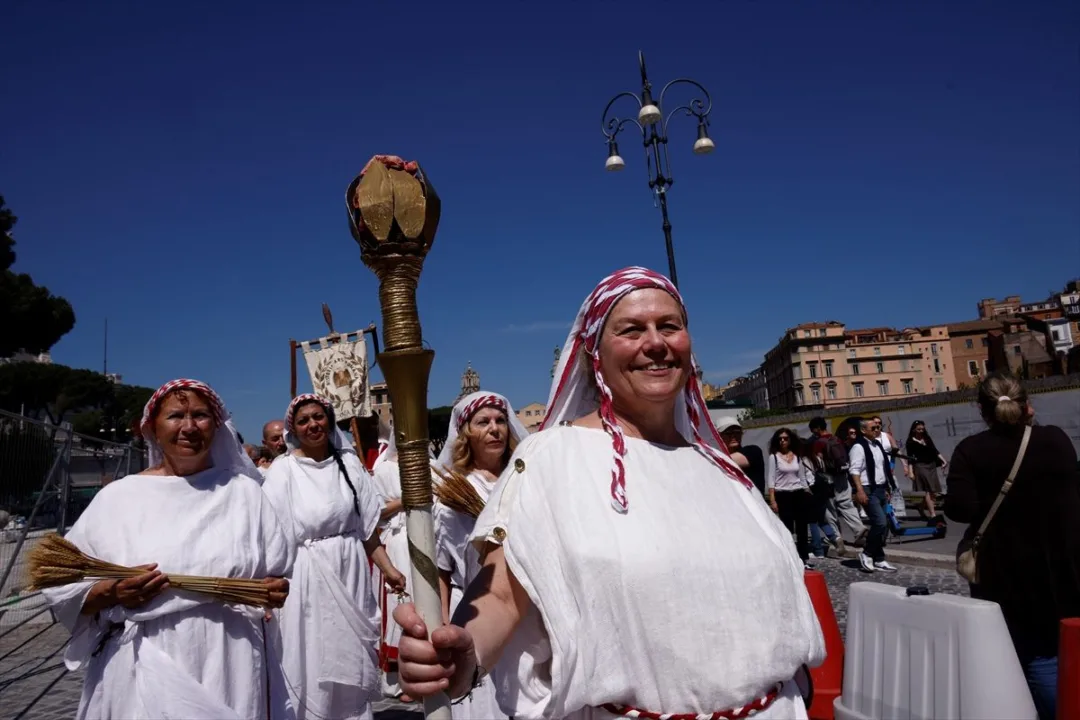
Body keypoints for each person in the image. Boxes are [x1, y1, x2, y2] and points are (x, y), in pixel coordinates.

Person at [393, 266, 823, 719]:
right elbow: (502, 594)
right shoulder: (553, 459)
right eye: (631, 330)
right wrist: (464, 653)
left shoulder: (720, 470)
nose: (655, 343)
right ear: (594, 355)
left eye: (669, 326)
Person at [41, 379, 293, 719]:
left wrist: (273, 590)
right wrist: (113, 592)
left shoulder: (244, 493)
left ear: (216, 426)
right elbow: (64, 585)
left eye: (201, 416)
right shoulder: (118, 498)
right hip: (144, 656)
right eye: (176, 416)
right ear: (152, 430)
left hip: (229, 656)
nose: (189, 427)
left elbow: (276, 571)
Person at [262, 394, 406, 720]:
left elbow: (367, 529)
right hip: (306, 575)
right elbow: (270, 537)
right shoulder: (283, 471)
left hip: (351, 570)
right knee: (313, 657)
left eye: (318, 416)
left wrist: (389, 570)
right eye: (303, 420)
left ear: (328, 419)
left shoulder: (349, 464)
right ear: (293, 430)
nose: (313, 424)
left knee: (352, 655)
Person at [945, 373, 1080, 720]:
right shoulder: (1056, 440)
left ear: (981, 409)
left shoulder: (970, 451)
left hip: (1004, 570)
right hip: (1061, 563)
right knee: (1053, 652)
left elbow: (960, 509)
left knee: (1027, 658)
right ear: (1026, 404)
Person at [432, 391, 528, 719]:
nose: (494, 428)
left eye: (500, 420)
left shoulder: (524, 480)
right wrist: (442, 622)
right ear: (466, 433)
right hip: (478, 609)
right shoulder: (456, 494)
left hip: (528, 609)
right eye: (483, 422)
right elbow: (442, 569)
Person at [370, 418, 435, 701]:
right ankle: (399, 678)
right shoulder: (382, 469)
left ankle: (426, 672)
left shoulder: (429, 466)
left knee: (426, 603)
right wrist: (408, 497)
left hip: (427, 538)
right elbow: (376, 511)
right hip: (397, 541)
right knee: (401, 600)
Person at [847, 417, 898, 573]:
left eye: (878, 427)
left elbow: (882, 469)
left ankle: (879, 559)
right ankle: (867, 553)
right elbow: (854, 470)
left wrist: (888, 487)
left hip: (881, 488)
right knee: (880, 522)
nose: (877, 430)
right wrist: (859, 491)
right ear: (863, 430)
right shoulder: (858, 447)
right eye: (874, 428)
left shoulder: (877, 445)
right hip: (868, 489)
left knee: (885, 525)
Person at [808, 417, 862, 550]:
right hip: (842, 476)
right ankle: (860, 530)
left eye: (813, 430)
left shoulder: (818, 443)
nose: (813, 432)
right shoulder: (836, 439)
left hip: (828, 479)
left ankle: (836, 537)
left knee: (829, 509)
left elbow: (818, 463)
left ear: (817, 428)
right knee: (847, 505)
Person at [766, 428, 815, 568]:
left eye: (786, 438)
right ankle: (790, 556)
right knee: (787, 528)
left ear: (790, 440)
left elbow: (802, 477)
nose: (783, 441)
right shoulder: (774, 457)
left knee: (802, 527)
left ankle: (803, 558)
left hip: (798, 492)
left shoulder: (797, 456)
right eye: (780, 438)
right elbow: (771, 479)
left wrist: (807, 492)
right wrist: (772, 499)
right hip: (783, 494)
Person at [903, 420, 947, 519]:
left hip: (931, 466)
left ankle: (920, 506)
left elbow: (935, 450)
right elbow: (910, 458)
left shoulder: (927, 438)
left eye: (922, 429)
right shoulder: (910, 442)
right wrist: (910, 471)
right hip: (920, 466)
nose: (921, 431)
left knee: (931, 490)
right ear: (914, 429)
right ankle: (933, 514)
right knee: (928, 489)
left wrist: (943, 460)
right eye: (919, 429)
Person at [716, 416, 766, 496]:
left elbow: (724, 461)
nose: (734, 436)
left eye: (737, 432)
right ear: (718, 436)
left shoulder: (753, 451)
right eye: (728, 433)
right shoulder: (716, 458)